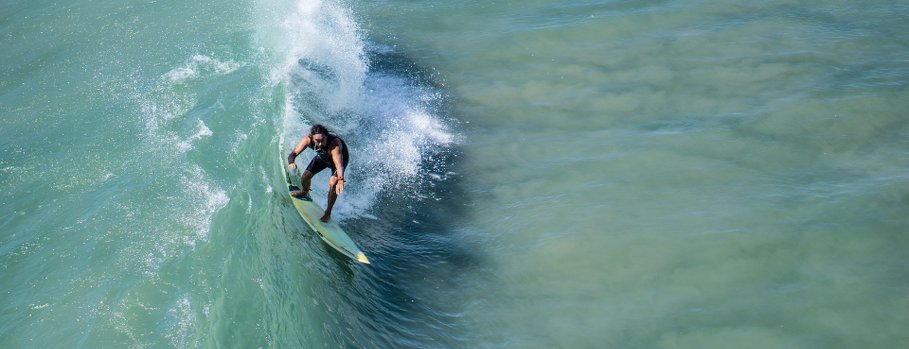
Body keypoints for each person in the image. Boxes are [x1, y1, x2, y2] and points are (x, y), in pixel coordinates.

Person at [287, 124, 349, 222]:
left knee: (333, 183)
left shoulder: (334, 145)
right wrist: (291, 162)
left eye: (322, 140)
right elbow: (293, 154)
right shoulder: (308, 139)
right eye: (317, 141)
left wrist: (340, 179)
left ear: (326, 136)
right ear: (312, 138)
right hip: (323, 158)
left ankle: (328, 213)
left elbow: (339, 165)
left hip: (338, 163)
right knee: (305, 177)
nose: (319, 144)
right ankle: (304, 192)